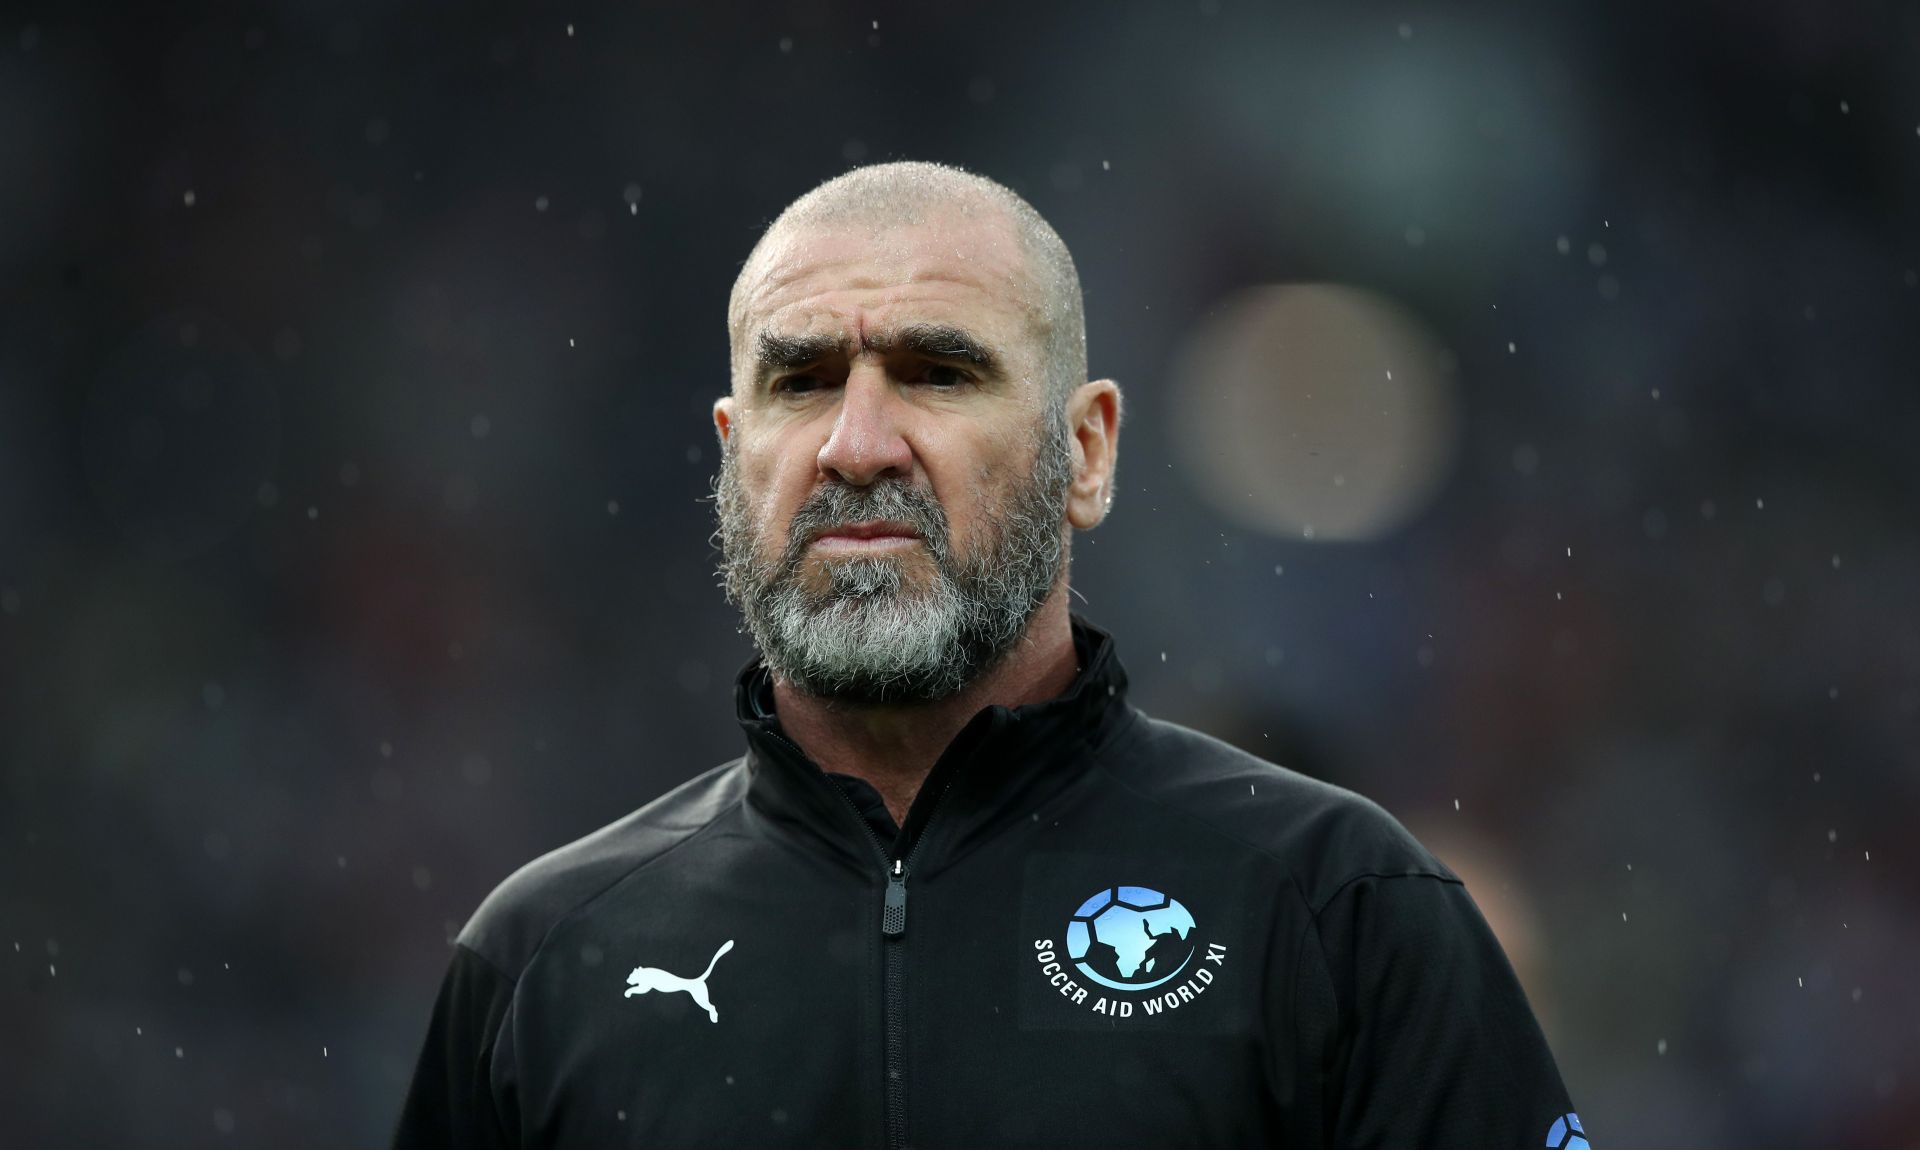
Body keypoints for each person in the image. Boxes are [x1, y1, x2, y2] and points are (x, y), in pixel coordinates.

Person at [393, 161, 1586, 1149]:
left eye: (937, 372)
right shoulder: (543, 962)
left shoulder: (1343, 912)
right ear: (732, 450)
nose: (857, 444)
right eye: (800, 381)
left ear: (1087, 451)